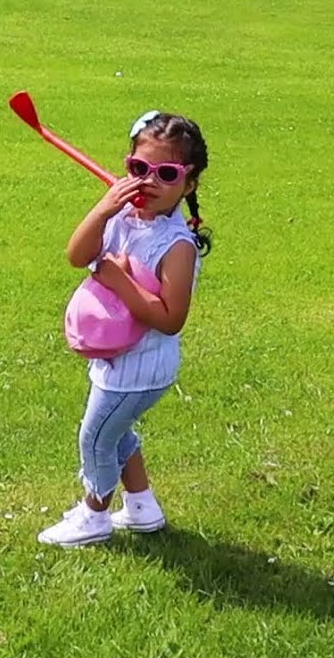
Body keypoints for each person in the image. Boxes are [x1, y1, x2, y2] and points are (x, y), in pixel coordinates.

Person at [38, 109, 213, 547]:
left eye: (166, 173)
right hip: (115, 359)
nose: (149, 182)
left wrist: (118, 279)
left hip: (142, 369)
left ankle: (93, 514)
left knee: (96, 436)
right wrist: (102, 209)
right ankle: (142, 507)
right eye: (139, 169)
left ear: (189, 184)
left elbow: (171, 320)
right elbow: (78, 256)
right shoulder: (120, 217)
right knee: (118, 430)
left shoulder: (176, 246)